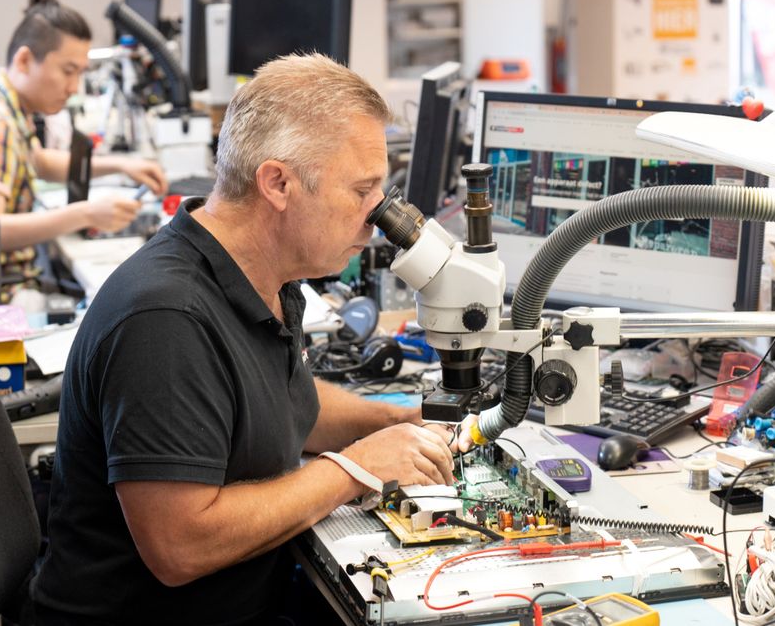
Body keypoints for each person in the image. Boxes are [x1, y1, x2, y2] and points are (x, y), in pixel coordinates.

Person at [31, 53, 458, 625]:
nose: (374, 218)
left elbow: (276, 402)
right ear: (278, 183)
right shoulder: (166, 320)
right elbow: (181, 546)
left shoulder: (264, 278)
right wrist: (354, 468)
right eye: (362, 191)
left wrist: (386, 422)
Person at [0, 0, 166, 292]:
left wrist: (121, 165)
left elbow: (38, 161)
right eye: (68, 72)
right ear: (25, 60)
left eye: (80, 73)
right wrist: (86, 213)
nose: (74, 87)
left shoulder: (5, 100)